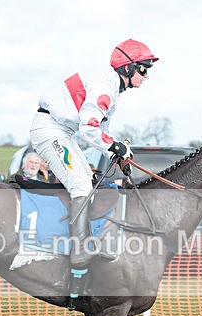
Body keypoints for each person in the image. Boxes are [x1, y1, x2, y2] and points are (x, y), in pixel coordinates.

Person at [29, 38, 158, 269]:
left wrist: (116, 154)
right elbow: (89, 127)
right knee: (81, 185)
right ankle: (79, 251)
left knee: (88, 182)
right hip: (51, 130)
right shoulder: (105, 86)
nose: (146, 75)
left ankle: (84, 241)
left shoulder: (112, 87)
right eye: (143, 69)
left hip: (62, 131)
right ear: (127, 67)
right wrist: (114, 146)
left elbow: (102, 131)